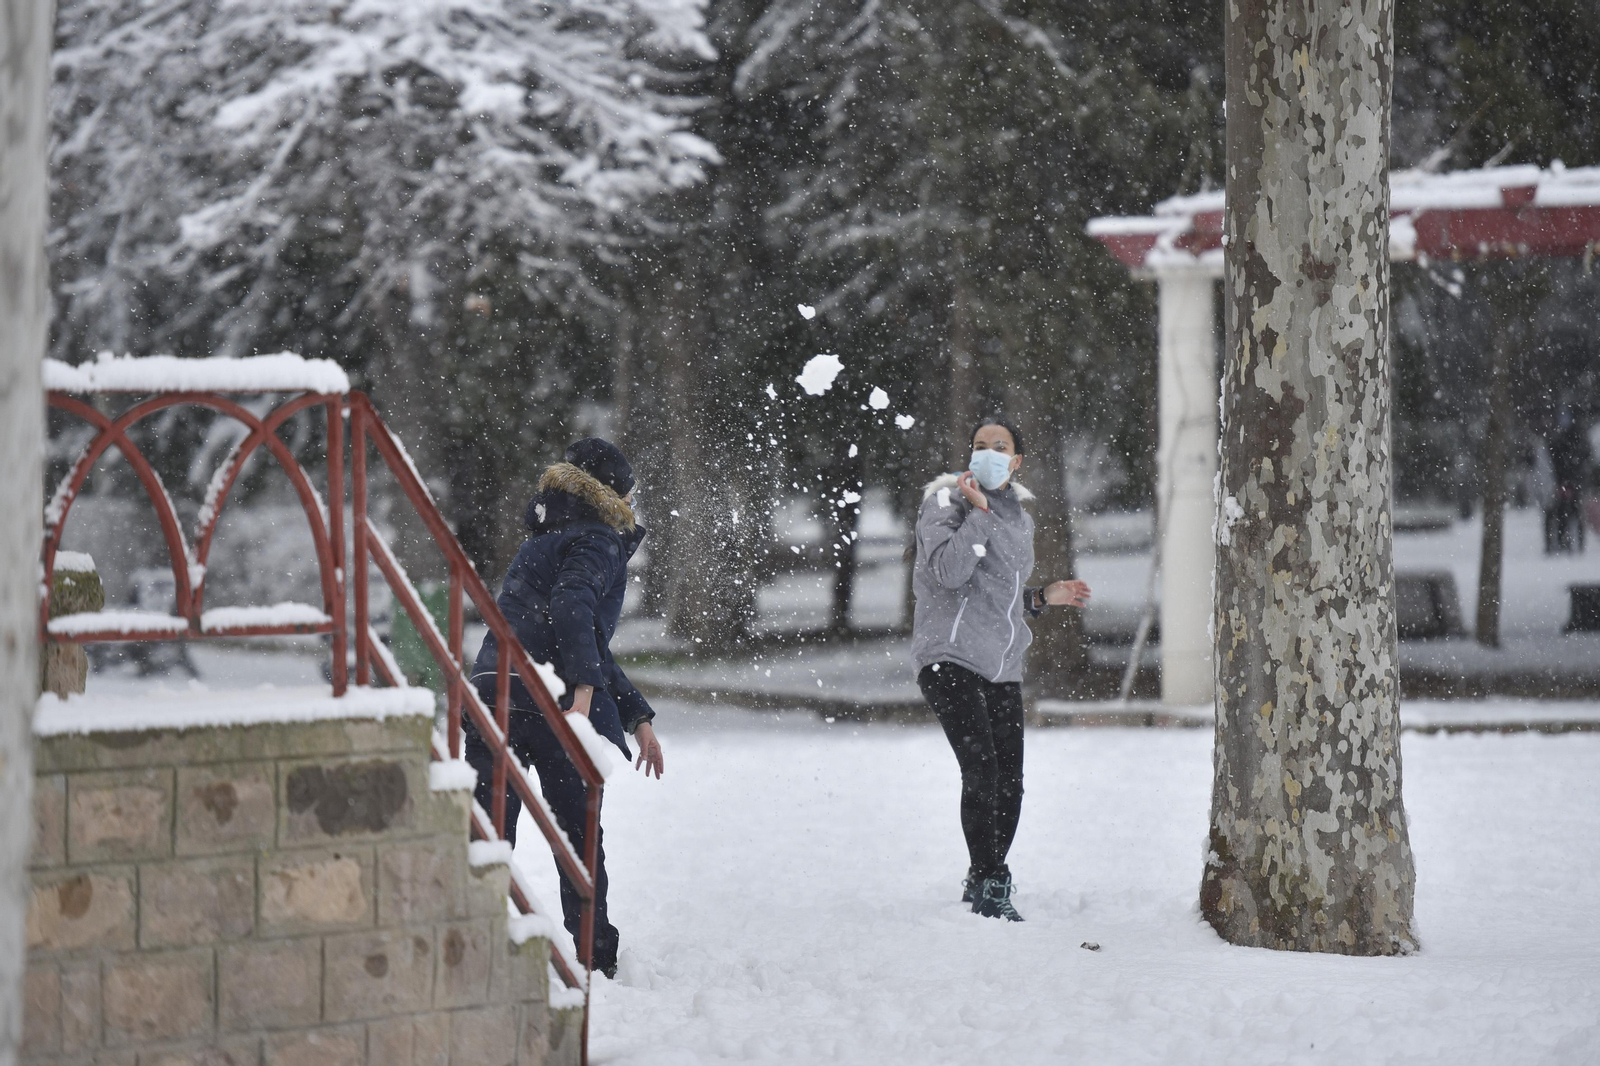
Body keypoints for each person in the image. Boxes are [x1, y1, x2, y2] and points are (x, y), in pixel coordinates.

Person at [466, 437, 665, 978]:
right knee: (578, 837)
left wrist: (636, 715)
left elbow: (588, 639)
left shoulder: (545, 538)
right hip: (549, 699)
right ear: (614, 495)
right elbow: (573, 607)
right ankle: (594, 958)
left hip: (495, 688)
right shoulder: (598, 538)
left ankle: (471, 948)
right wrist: (581, 693)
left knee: (486, 831)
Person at [911, 416, 1091, 922]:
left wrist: (1043, 597)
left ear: (1016, 461)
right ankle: (993, 881)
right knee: (982, 770)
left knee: (1010, 779)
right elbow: (950, 573)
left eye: (1000, 447)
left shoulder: (1019, 517)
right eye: (979, 446)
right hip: (949, 659)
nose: (988, 453)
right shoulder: (946, 502)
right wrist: (981, 514)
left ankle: (982, 872)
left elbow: (998, 596)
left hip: (1000, 664)